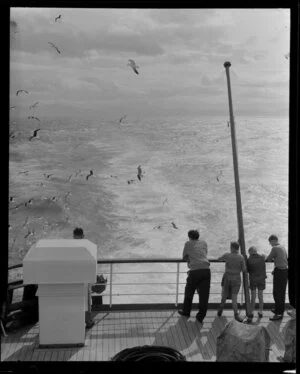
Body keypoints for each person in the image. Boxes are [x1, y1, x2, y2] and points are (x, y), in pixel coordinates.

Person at [178, 229, 211, 324]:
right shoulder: (204, 243)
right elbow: (204, 254)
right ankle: (200, 316)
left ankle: (186, 312)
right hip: (206, 270)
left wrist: (189, 260)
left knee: (189, 292)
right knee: (204, 295)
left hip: (195, 271)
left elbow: (184, 257)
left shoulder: (188, 243)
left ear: (189, 237)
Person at [217, 241, 247, 322]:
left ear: (232, 248)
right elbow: (244, 269)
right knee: (234, 297)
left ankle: (220, 310)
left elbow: (219, 259)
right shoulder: (241, 257)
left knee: (224, 294)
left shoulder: (227, 255)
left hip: (227, 277)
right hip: (236, 279)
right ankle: (236, 315)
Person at [73, 227, 95, 329]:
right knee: (86, 302)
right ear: (83, 236)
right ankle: (88, 321)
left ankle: (77, 320)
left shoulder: (70, 247)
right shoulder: (87, 246)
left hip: (74, 278)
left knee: (76, 301)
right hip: (85, 278)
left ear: (73, 236)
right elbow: (91, 262)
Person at [265, 234, 288, 321]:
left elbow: (268, 259)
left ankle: (279, 313)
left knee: (277, 293)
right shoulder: (282, 247)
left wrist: (264, 256)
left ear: (273, 240)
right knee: (281, 292)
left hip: (280, 272)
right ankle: (279, 309)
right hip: (284, 271)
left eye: (270, 242)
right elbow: (284, 259)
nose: (270, 244)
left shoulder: (275, 248)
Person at [246, 246, 267, 321]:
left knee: (253, 297)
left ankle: (252, 312)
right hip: (261, 279)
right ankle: (260, 311)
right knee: (260, 296)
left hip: (253, 280)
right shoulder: (262, 257)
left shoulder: (249, 260)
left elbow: (247, 270)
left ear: (250, 252)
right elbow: (265, 256)